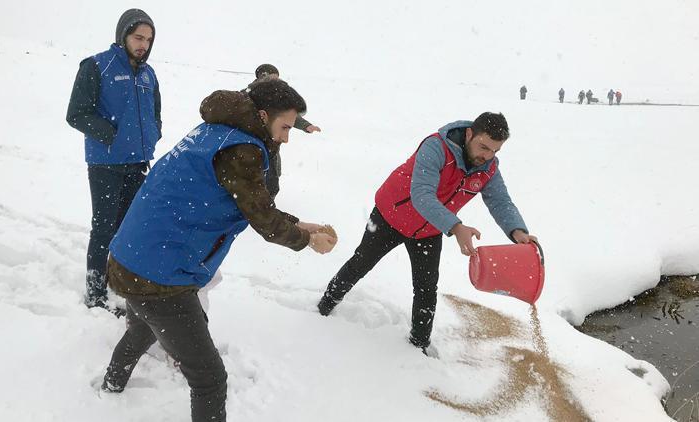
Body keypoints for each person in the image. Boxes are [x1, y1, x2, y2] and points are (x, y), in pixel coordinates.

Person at [101, 79, 337, 422]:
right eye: (285, 127)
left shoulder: (217, 130)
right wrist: (305, 239)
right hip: (160, 276)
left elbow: (252, 203)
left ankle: (109, 388)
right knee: (209, 379)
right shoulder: (243, 150)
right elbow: (263, 218)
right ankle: (110, 386)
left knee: (141, 329)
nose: (287, 137)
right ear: (261, 114)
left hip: (130, 256)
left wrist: (300, 225)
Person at [317, 112, 537, 355]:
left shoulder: (487, 168)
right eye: (483, 146)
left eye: (494, 151)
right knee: (361, 263)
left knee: (426, 287)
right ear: (469, 134)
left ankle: (419, 344)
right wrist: (456, 227)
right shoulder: (436, 148)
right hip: (391, 215)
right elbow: (422, 195)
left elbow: (500, 201)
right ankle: (325, 305)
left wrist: (518, 231)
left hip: (429, 229)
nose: (486, 155)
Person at [66, 9, 161, 310]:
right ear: (123, 35)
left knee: (129, 230)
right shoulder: (97, 66)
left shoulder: (149, 74)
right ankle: (95, 294)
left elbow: (155, 113)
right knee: (104, 228)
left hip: (138, 163)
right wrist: (112, 135)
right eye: (138, 37)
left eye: (148, 39)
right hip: (106, 164)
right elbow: (76, 113)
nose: (143, 44)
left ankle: (120, 284)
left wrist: (154, 133)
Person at [242, 63, 322, 199]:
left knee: (273, 180)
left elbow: (286, 116)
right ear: (262, 77)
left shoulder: (277, 94)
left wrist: (306, 126)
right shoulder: (248, 95)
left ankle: (268, 203)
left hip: (272, 145)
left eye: (277, 78)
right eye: (273, 78)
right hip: (253, 146)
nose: (276, 81)